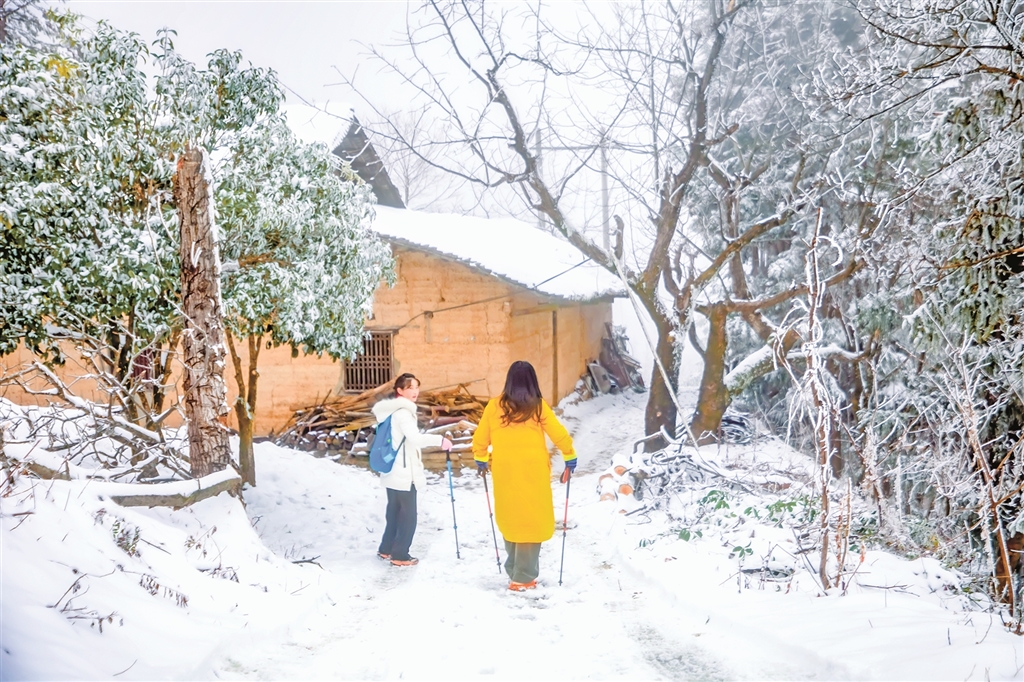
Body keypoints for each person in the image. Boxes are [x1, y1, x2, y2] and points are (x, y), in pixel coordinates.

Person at [472, 360, 577, 591]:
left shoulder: (494, 406)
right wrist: (569, 454)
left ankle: (515, 570)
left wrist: (480, 457)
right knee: (532, 518)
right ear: (532, 381)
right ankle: (523, 577)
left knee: (511, 515)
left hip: (505, 471)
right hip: (533, 471)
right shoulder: (537, 406)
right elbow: (558, 433)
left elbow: (480, 437)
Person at [372, 373, 452, 567]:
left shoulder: (391, 410)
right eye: (410, 388)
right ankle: (400, 555)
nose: (415, 391)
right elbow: (416, 439)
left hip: (392, 469)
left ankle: (386, 549)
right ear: (400, 390)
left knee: (394, 511)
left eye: (416, 387)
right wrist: (440, 440)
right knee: (408, 516)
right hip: (404, 472)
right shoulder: (403, 413)